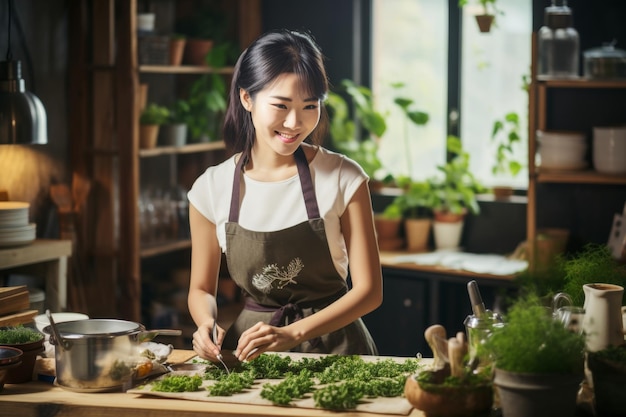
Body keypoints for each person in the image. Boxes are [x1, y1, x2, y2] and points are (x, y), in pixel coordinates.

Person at [187, 28, 382, 363]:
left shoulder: (343, 177)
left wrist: (294, 333)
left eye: (310, 105)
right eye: (281, 105)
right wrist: (206, 323)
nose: (295, 122)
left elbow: (369, 292)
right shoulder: (211, 188)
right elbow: (201, 289)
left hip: (338, 349)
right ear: (247, 98)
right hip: (251, 351)